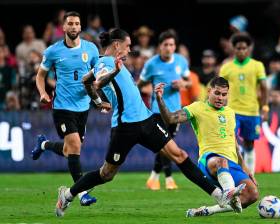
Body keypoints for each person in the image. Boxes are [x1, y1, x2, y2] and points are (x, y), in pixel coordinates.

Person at [55, 28, 244, 217]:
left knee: (179, 155)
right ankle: (68, 194)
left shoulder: (117, 63)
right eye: (128, 45)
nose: (129, 50)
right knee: (106, 174)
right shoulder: (105, 62)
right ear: (116, 45)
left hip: (147, 120)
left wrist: (96, 100)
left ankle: (219, 195)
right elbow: (99, 82)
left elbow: (87, 81)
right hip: (125, 127)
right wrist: (112, 73)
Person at [153, 77, 258, 217]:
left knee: (252, 195)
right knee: (221, 162)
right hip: (209, 160)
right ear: (209, 91)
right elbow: (170, 119)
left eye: (224, 94)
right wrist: (160, 99)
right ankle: (229, 192)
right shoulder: (197, 108)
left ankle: (208, 210)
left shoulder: (230, 113)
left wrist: (244, 166)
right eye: (217, 93)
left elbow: (234, 142)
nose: (220, 97)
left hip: (231, 163)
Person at [32, 11, 105, 206]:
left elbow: (97, 76)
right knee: (74, 146)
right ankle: (81, 194)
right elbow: (40, 76)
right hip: (62, 107)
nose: (73, 27)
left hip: (83, 108)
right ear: (63, 27)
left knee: (69, 150)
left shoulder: (90, 49)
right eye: (70, 24)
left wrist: (99, 99)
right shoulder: (53, 51)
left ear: (80, 27)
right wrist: (42, 92)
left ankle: (44, 145)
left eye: (77, 24)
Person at [138, 29, 191, 190]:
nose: (169, 48)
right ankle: (168, 179)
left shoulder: (181, 61)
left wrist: (183, 84)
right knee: (166, 143)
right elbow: (139, 84)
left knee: (166, 145)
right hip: (157, 110)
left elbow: (189, 82)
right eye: (166, 45)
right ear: (160, 46)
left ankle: (153, 177)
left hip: (175, 113)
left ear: (175, 46)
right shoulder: (151, 64)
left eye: (171, 45)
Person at [219, 33, 269, 174]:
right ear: (233, 49)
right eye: (238, 48)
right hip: (231, 112)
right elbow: (219, 87)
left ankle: (250, 176)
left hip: (251, 111)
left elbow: (264, 88)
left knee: (249, 144)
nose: (241, 51)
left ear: (248, 49)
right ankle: (234, 174)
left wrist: (265, 108)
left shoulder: (257, 65)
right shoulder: (226, 67)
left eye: (244, 48)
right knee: (230, 143)